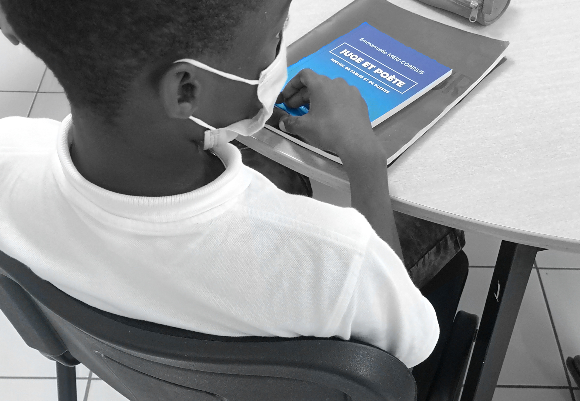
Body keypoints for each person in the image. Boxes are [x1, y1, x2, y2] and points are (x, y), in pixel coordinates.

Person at [0, 0, 445, 368]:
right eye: (276, 35)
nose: (279, 52)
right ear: (185, 91)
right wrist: (364, 158)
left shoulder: (7, 157)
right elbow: (406, 349)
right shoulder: (341, 258)